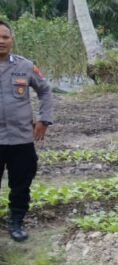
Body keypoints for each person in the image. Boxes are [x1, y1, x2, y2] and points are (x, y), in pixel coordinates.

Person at [0, 20, 53, 242]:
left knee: (21, 184)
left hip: (21, 139)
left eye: (5, 37)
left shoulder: (25, 66)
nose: (1, 41)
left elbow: (46, 91)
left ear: (12, 40)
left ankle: (16, 222)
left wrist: (44, 119)